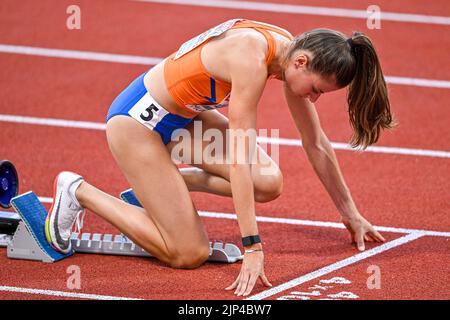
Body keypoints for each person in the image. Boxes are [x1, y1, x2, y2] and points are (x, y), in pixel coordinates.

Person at [45, 19, 395, 297]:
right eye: (317, 90)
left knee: (269, 182)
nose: (314, 100)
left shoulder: (288, 50)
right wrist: (252, 246)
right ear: (301, 62)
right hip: (137, 124)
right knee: (187, 254)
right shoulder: (250, 58)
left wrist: (351, 215)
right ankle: (78, 191)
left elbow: (316, 143)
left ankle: (173, 185)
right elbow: (239, 161)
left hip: (184, 120)